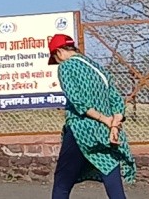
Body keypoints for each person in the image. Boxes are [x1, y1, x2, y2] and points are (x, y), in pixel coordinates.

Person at [49, 34, 136, 199]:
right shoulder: (98, 69)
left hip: (80, 130)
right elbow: (117, 100)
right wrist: (114, 125)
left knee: (62, 182)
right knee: (110, 170)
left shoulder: (66, 67)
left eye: (55, 57)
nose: (57, 61)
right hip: (105, 132)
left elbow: (78, 101)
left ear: (59, 52)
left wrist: (103, 119)